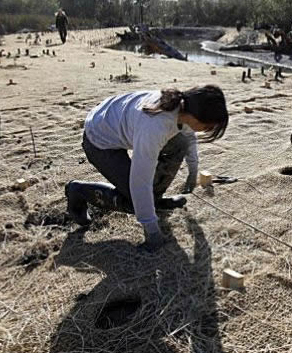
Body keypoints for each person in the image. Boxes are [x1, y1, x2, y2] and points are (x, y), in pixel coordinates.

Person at [65, 85, 229, 251]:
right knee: (134, 199)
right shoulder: (154, 128)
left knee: (179, 144)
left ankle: (154, 199)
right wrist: (152, 232)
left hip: (114, 118)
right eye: (208, 127)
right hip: (98, 137)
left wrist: (193, 172)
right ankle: (77, 190)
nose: (207, 131)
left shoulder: (184, 107)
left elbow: (188, 138)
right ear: (196, 116)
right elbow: (140, 182)